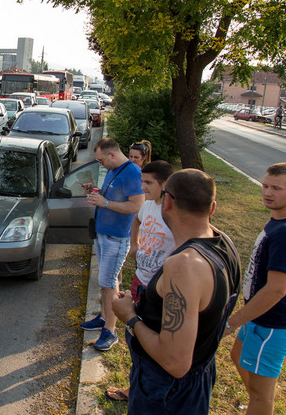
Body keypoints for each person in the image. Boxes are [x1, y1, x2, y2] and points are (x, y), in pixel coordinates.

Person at [112, 169, 242, 413]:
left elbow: (175, 362)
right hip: (199, 377)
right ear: (211, 208)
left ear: (167, 201)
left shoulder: (183, 266)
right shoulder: (224, 242)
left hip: (166, 390)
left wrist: (129, 317)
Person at [226, 163, 286, 414]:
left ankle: (260, 403)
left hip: (275, 323)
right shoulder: (281, 221)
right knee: (238, 355)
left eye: (276, 188)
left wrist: (233, 323)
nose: (267, 192)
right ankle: (258, 400)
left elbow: (276, 290)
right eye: (265, 186)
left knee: (261, 396)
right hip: (261, 318)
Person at [105, 160, 175, 402]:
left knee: (149, 340)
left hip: (160, 290)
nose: (142, 187)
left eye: (148, 182)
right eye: (142, 181)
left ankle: (146, 393)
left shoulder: (172, 211)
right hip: (140, 281)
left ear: (165, 183)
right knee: (135, 339)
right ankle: (135, 387)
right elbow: (137, 220)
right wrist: (135, 245)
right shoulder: (148, 206)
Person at [80, 138, 144, 351]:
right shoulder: (113, 169)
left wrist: (105, 203)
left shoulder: (132, 172)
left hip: (116, 238)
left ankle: (110, 331)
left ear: (112, 155)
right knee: (110, 279)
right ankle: (105, 316)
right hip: (104, 234)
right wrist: (97, 192)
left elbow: (136, 205)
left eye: (101, 160)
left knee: (108, 283)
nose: (101, 164)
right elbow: (115, 197)